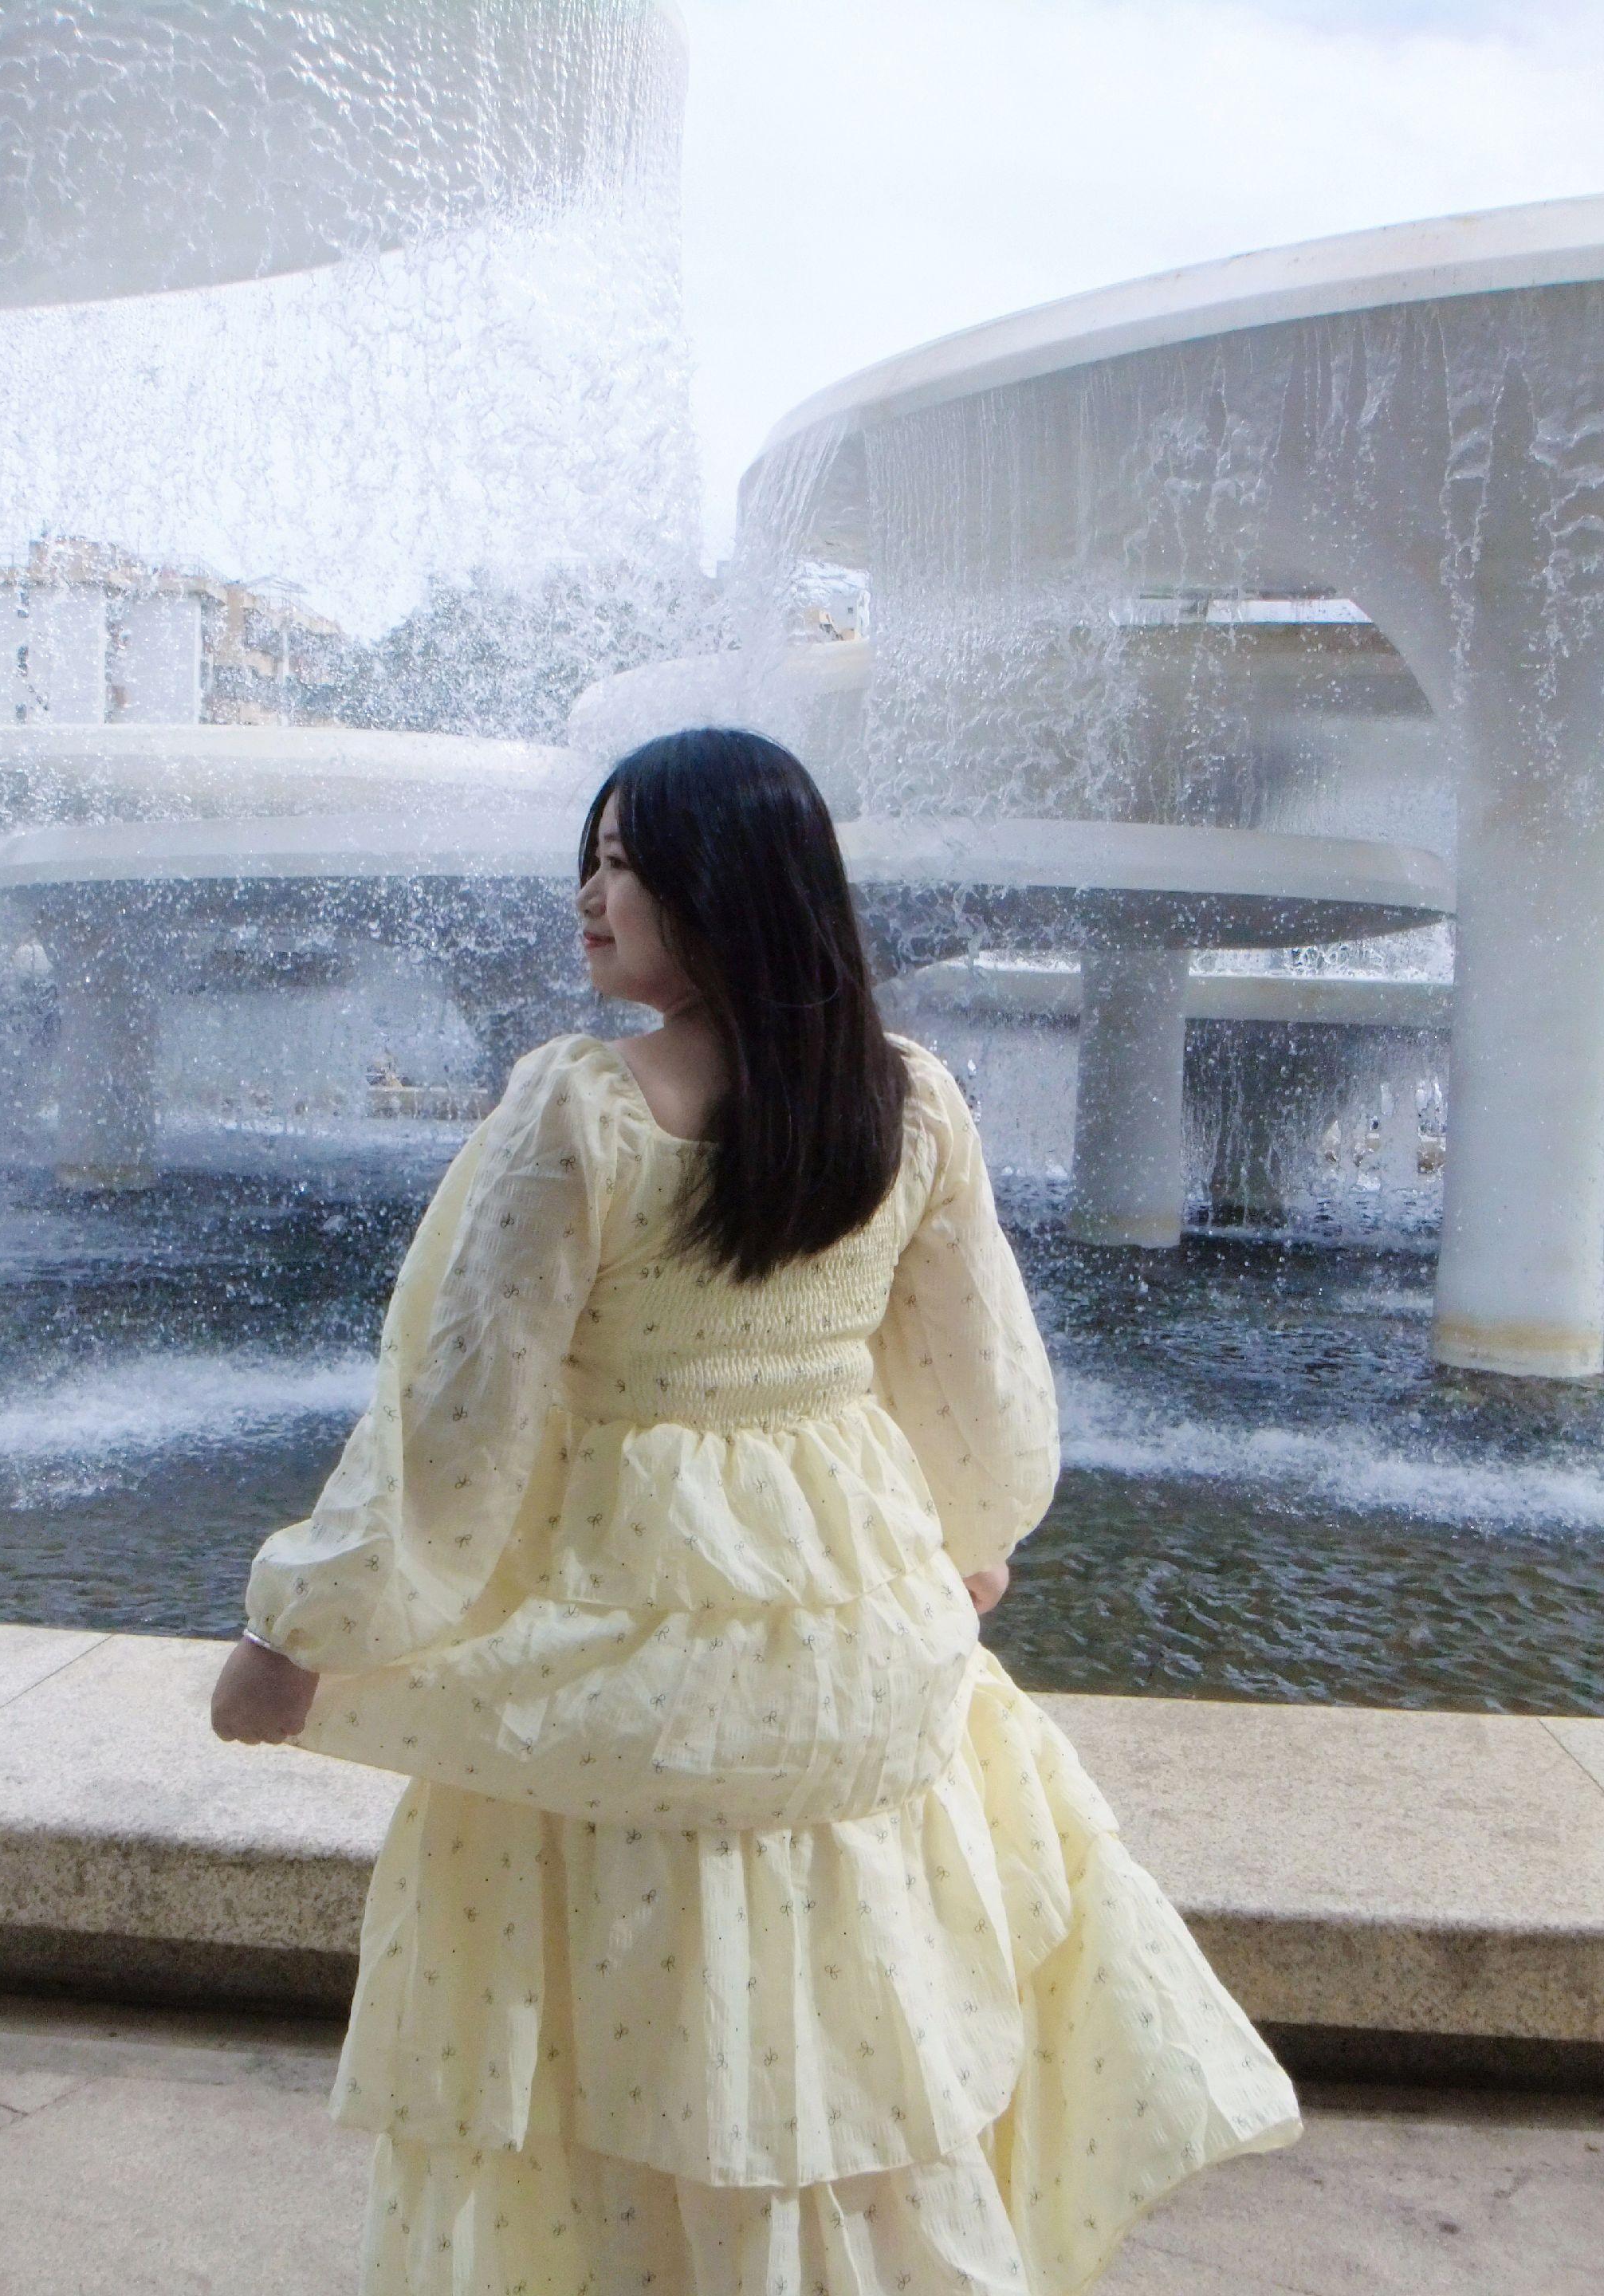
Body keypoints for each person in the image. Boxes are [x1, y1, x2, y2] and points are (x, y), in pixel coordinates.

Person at [210, 727, 1300, 2295]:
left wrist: (302, 1628)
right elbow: (978, 1376)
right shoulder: (908, 1101)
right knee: (846, 2017)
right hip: (851, 1605)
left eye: (627, 864)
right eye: (591, 861)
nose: (591, 895)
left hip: (623, 1603)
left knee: (612, 2009)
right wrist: (972, 1535)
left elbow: (457, 1420)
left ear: (726, 885)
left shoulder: (585, 1110)